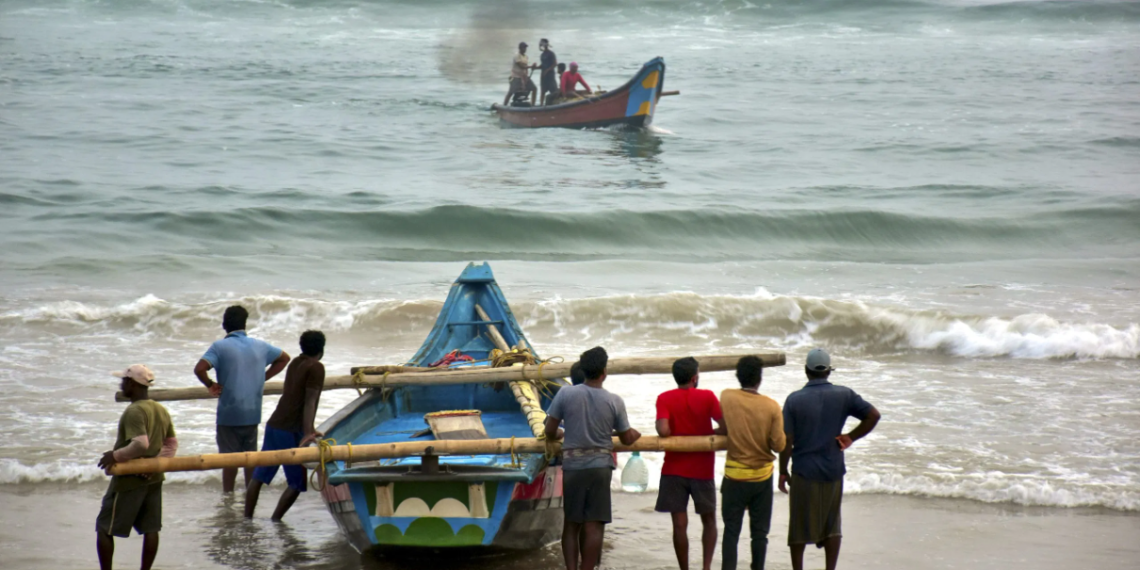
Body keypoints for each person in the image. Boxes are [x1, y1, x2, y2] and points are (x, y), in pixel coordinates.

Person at [778, 349, 881, 570]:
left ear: (806, 371)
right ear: (828, 372)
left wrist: (783, 470)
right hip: (833, 469)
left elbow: (787, 438)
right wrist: (851, 437)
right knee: (832, 524)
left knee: (798, 526)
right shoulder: (844, 395)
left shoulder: (794, 400)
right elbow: (874, 415)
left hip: (804, 471)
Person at [544, 346, 641, 570]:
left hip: (573, 466)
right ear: (604, 372)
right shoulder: (614, 400)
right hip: (600, 467)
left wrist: (559, 433)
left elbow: (550, 429)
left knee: (571, 524)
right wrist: (634, 434)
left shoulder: (566, 393)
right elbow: (626, 438)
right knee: (594, 525)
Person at [194, 305, 290, 493]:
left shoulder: (219, 347)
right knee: (250, 459)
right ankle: (250, 497)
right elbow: (284, 358)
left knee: (228, 462)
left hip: (229, 414)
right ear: (245, 324)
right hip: (252, 412)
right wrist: (263, 377)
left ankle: (228, 498)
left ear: (224, 325)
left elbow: (199, 369)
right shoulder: (260, 346)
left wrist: (210, 385)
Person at [96, 365, 178, 570]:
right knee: (150, 529)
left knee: (105, 528)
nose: (121, 384)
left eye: (124, 380)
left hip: (129, 480)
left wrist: (115, 455)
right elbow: (171, 444)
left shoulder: (134, 410)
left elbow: (141, 443)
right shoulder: (160, 409)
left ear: (132, 384)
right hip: (154, 477)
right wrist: (153, 464)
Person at [245, 330, 327, 521]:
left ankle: (247, 519)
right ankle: (275, 520)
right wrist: (308, 432)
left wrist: (308, 428)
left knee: (259, 476)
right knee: (297, 482)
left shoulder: (296, 363)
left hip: (275, 425)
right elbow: (310, 400)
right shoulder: (316, 367)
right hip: (290, 431)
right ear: (321, 349)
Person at [655, 357, 726, 570]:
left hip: (673, 469)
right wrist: (705, 433)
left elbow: (663, 431)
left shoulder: (664, 398)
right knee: (709, 521)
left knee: (679, 524)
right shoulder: (707, 397)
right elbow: (725, 427)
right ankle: (706, 567)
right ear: (695, 377)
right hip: (702, 470)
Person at [719, 356, 786, 570]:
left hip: (734, 476)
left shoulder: (726, 397)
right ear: (760, 378)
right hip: (761, 478)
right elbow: (779, 445)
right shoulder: (772, 406)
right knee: (759, 534)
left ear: (738, 376)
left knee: (731, 531)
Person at [503, 41, 537, 106]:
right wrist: (530, 66)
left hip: (524, 77)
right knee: (511, 92)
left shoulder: (526, 57)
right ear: (520, 48)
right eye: (524, 47)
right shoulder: (517, 56)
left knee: (534, 88)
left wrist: (532, 68)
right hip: (516, 77)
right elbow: (521, 66)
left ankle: (533, 105)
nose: (525, 49)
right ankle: (504, 106)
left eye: (525, 48)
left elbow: (526, 67)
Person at [538, 38, 558, 106]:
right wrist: (535, 67)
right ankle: (541, 105)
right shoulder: (542, 54)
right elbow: (542, 65)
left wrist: (547, 70)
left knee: (554, 91)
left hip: (550, 76)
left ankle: (555, 104)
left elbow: (555, 64)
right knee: (542, 91)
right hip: (543, 76)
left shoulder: (551, 54)